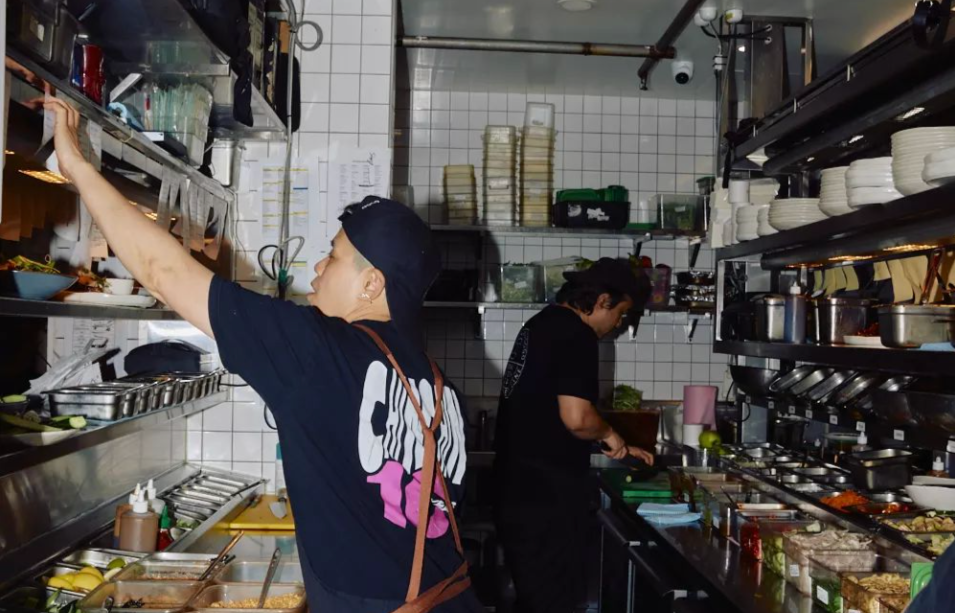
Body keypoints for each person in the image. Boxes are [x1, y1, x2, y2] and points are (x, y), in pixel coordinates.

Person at [43, 98, 481, 613]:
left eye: (334, 255)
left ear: (371, 284)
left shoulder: (321, 349)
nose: (318, 266)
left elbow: (164, 272)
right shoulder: (440, 387)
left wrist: (75, 164)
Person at [492, 257, 654, 613]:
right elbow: (577, 418)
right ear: (602, 301)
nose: (617, 324)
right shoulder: (575, 334)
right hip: (545, 500)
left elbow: (546, 409)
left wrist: (613, 443)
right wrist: (612, 435)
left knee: (534, 600)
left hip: (518, 491)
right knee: (553, 603)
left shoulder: (542, 323)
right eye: (621, 313)